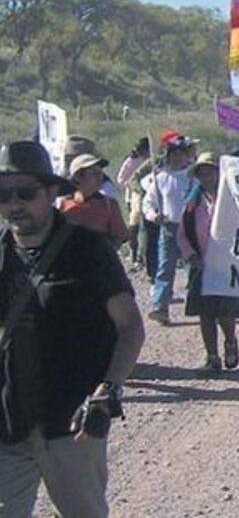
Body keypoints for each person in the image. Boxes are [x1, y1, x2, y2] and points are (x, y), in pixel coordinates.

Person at [0, 140, 145, 517]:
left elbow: (130, 326)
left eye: (25, 193)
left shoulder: (88, 250)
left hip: (71, 424)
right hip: (7, 424)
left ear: (51, 192)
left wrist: (108, 390)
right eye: (4, 195)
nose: (14, 205)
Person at [178, 153, 239, 374]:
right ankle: (212, 357)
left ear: (219, 172)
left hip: (226, 265)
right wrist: (191, 256)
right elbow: (182, 234)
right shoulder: (191, 204)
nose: (206, 177)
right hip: (201, 266)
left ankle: (231, 342)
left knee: (225, 312)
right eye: (202, 173)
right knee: (205, 314)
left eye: (210, 171)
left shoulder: (234, 198)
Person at [141, 133, 199, 325]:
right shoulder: (160, 178)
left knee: (196, 266)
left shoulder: (194, 177)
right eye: (173, 153)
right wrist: (153, 216)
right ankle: (160, 307)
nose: (177, 157)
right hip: (169, 228)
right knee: (165, 268)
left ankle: (198, 303)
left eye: (180, 153)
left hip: (191, 228)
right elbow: (148, 203)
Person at [60, 154, 132, 247]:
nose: (100, 177)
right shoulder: (62, 205)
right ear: (78, 177)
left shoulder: (109, 205)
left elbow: (119, 238)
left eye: (100, 172)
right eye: (94, 173)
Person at [116, 138, 150, 264]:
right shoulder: (131, 161)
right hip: (133, 198)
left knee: (146, 227)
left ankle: (144, 254)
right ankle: (133, 253)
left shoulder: (151, 161)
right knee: (134, 226)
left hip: (149, 198)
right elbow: (121, 178)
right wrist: (132, 185)